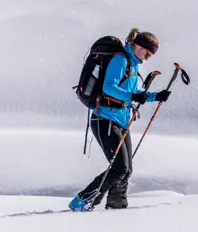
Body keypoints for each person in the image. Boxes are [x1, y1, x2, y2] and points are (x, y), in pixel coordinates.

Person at [69, 29, 170, 211]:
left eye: (151, 55)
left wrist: (156, 96)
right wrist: (134, 96)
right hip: (105, 119)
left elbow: (133, 93)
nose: (147, 57)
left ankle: (117, 205)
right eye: (147, 52)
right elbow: (109, 88)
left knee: (126, 170)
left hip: (121, 120)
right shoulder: (120, 59)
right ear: (138, 45)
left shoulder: (133, 63)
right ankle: (83, 201)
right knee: (120, 167)